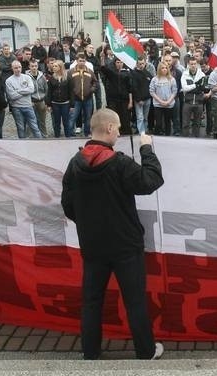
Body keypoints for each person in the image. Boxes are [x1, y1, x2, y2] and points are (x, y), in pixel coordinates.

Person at [60, 109, 164, 360]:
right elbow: (151, 180)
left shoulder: (75, 163)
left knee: (92, 301)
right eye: (117, 128)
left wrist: (88, 223)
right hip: (125, 245)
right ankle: (146, 351)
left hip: (93, 245)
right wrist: (146, 149)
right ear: (108, 129)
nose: (119, 132)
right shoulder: (118, 162)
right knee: (135, 300)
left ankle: (91, 352)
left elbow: (67, 204)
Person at [5, 60, 42, 139]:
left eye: (19, 67)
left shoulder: (27, 77)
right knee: (21, 128)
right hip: (16, 107)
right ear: (12, 69)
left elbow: (31, 90)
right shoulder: (8, 81)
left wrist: (18, 91)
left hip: (28, 106)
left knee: (34, 127)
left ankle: (40, 143)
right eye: (15, 68)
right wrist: (25, 91)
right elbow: (12, 96)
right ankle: (22, 144)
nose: (18, 69)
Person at [149, 62, 177, 136]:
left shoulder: (172, 79)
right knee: (158, 123)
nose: (164, 69)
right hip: (158, 105)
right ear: (159, 69)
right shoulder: (154, 79)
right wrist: (161, 101)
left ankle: (168, 138)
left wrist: (168, 101)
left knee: (168, 122)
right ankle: (157, 137)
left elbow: (174, 91)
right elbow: (152, 91)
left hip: (169, 104)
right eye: (162, 68)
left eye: (165, 68)